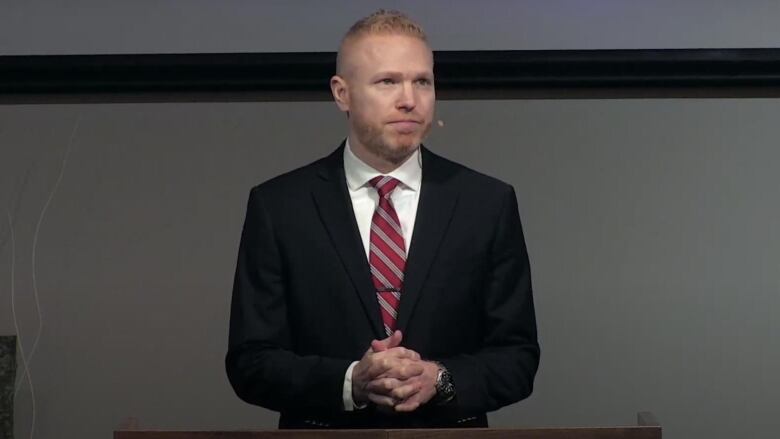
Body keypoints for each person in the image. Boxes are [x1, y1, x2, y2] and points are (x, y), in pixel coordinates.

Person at [226, 10, 539, 429]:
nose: (409, 98)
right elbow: (251, 360)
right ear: (342, 93)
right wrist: (351, 381)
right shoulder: (280, 206)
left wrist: (440, 379)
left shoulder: (487, 203)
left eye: (422, 81)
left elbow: (517, 356)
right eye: (388, 81)